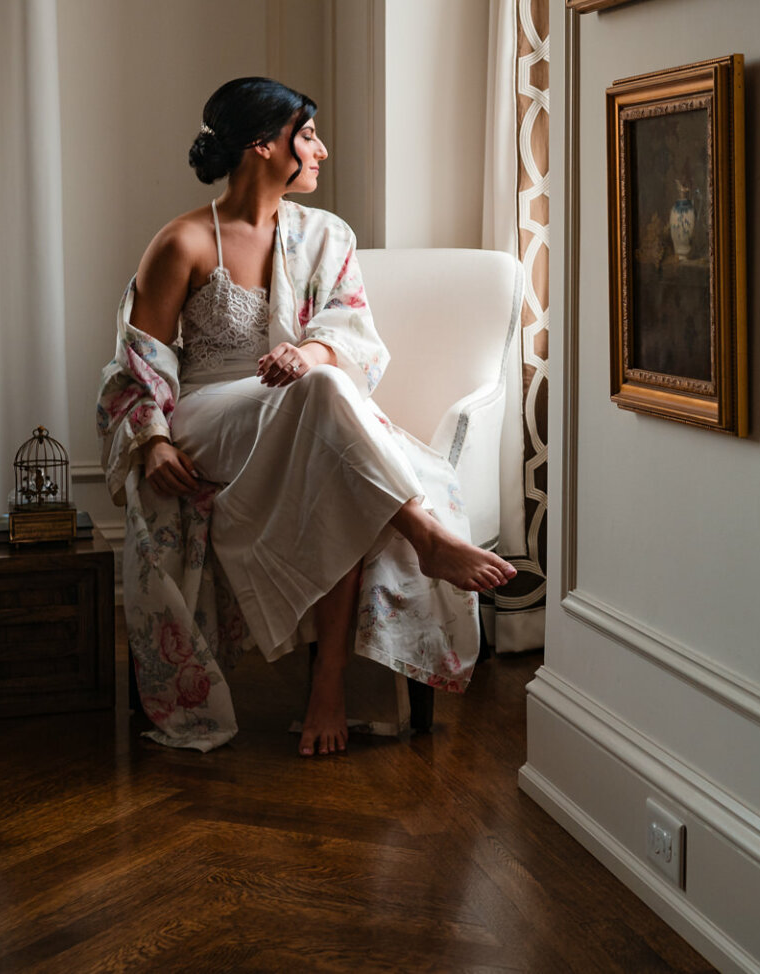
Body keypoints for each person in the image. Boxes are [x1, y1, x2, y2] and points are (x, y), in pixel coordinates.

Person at [98, 77, 514, 757]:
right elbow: (137, 360)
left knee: (324, 404)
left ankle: (330, 686)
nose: (321, 149)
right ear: (264, 144)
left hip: (303, 403)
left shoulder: (327, 235)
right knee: (324, 399)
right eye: (308, 133)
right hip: (210, 414)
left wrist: (310, 351)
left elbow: (351, 334)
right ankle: (424, 534)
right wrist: (151, 441)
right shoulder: (182, 242)